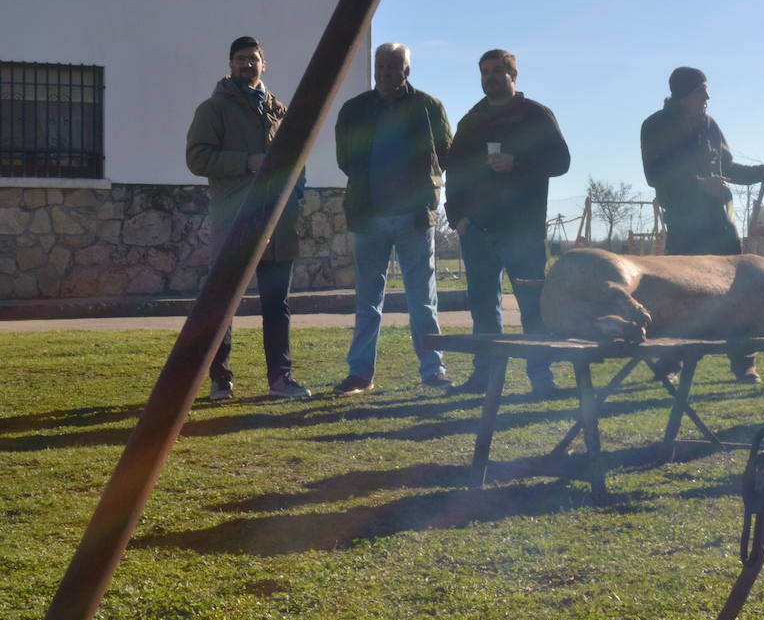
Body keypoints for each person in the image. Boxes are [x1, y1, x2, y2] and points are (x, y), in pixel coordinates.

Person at [639, 66, 764, 382]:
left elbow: (728, 168)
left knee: (738, 294)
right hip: (684, 225)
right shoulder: (655, 126)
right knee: (678, 294)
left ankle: (743, 362)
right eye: (701, 90)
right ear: (684, 94)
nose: (707, 97)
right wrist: (698, 185)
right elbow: (655, 174)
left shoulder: (710, 126)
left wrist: (763, 172)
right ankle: (670, 363)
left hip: (721, 224)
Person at [185, 35, 310, 399]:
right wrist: (247, 163)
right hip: (235, 222)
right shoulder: (214, 109)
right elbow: (197, 159)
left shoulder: (279, 111)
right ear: (230, 65)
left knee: (277, 306)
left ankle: (280, 380)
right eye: (240, 59)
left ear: (263, 65)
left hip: (277, 224)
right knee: (223, 304)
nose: (247, 65)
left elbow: (297, 162)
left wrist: (295, 199)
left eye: (253, 59)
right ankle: (220, 378)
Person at [444, 49, 570, 396]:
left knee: (533, 307)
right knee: (484, 309)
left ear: (514, 75)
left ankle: (541, 378)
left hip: (523, 231)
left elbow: (561, 161)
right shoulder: (472, 120)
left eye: (498, 71)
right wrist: (458, 217)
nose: (490, 77)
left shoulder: (535, 115)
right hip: (478, 232)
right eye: (484, 71)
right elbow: (454, 172)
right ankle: (485, 376)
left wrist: (517, 162)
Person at [332, 43, 453, 395]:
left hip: (415, 217)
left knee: (423, 300)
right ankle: (360, 374)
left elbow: (444, 153)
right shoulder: (354, 110)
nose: (384, 72)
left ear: (406, 71)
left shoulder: (429, 107)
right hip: (369, 218)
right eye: (380, 65)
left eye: (393, 66)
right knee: (368, 301)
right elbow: (345, 159)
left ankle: (433, 370)